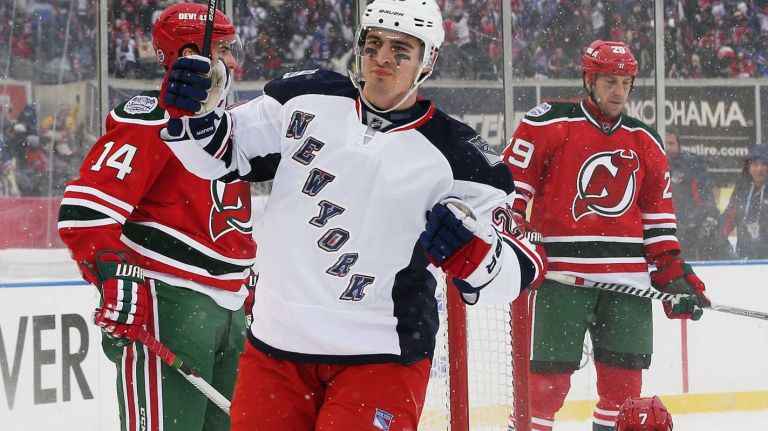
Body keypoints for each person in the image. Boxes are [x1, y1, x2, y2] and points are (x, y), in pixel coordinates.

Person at [159, 0, 545, 429]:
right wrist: (195, 114)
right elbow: (218, 153)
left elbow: (523, 264)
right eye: (373, 43)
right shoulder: (303, 97)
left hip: (381, 358)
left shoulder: (462, 157)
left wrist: (480, 258)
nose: (382, 58)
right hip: (275, 349)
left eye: (401, 49)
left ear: (428, 61)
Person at [57, 4, 255, 431]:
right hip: (171, 305)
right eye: (223, 48)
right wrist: (113, 274)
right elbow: (86, 213)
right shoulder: (153, 118)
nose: (235, 60)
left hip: (231, 311)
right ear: (190, 51)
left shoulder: (231, 125)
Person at [503, 40, 710, 431]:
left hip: (627, 283)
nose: (618, 91)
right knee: (545, 387)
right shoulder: (548, 122)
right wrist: (518, 237)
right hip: (562, 279)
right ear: (589, 79)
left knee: (625, 393)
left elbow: (659, 221)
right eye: (610, 81)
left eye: (625, 83)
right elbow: (510, 192)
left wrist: (673, 273)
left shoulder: (645, 140)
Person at [665, 129, 733, 260]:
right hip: (664, 233)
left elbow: (706, 198)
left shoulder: (691, 164)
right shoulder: (651, 164)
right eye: (664, 143)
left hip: (689, 233)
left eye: (671, 143)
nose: (667, 147)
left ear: (679, 145)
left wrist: (698, 221)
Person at [720, 144, 768, 259]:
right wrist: (720, 239)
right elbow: (729, 218)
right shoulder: (741, 189)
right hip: (745, 256)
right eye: (755, 164)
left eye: (764, 164)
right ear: (749, 167)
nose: (759, 169)